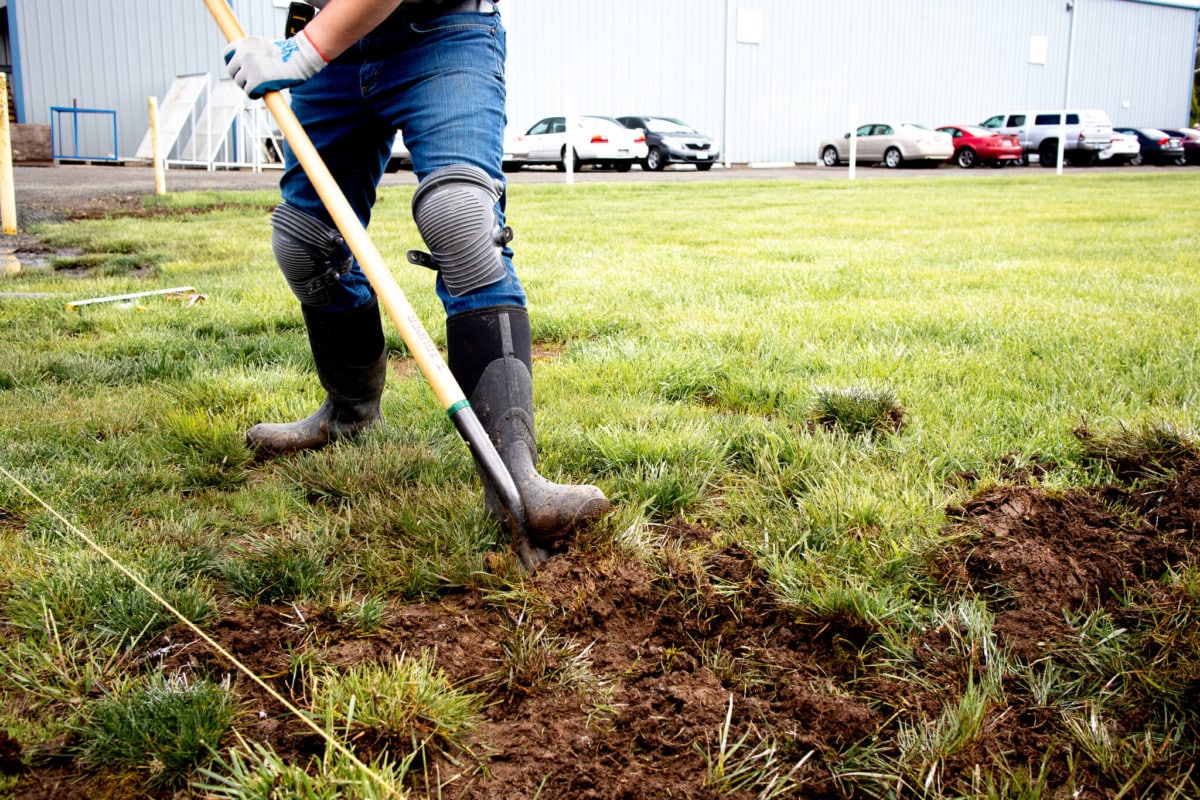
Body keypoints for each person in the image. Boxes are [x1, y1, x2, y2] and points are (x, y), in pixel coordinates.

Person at [222, 0, 610, 550]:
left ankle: (516, 478)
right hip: (330, 44)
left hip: (441, 30)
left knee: (460, 220)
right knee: (303, 243)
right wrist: (310, 41)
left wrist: (303, 52)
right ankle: (350, 414)